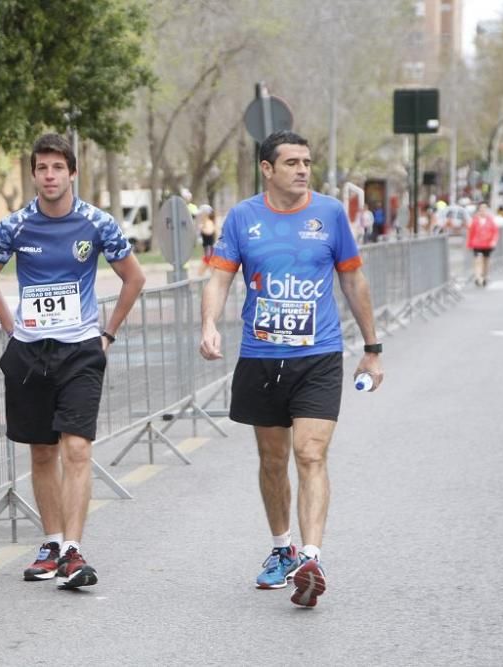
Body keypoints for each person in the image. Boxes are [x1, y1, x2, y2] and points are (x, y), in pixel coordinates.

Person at [198, 130, 383, 608]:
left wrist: (372, 346)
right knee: (273, 460)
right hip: (261, 357)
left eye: (307, 162)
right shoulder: (243, 217)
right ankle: (283, 548)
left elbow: (353, 279)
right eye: (292, 163)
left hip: (317, 356)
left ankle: (312, 558)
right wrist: (209, 325)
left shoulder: (329, 214)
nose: (303, 170)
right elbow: (219, 276)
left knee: (310, 454)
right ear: (267, 169)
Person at [0, 133, 145, 590]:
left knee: (77, 448)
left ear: (72, 173)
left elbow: (133, 277)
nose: (49, 176)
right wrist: (10, 325)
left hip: (81, 349)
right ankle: (51, 543)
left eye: (57, 168)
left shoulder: (96, 223)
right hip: (30, 352)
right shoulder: (14, 226)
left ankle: (72, 549)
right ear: (33, 174)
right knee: (43, 451)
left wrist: (108, 333)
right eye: (42, 168)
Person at [465, 203, 499, 287]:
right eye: (481, 209)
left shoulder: (490, 220)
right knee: (478, 260)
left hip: (487, 244)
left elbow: (495, 231)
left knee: (486, 261)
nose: (483, 211)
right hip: (477, 244)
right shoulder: (474, 220)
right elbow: (470, 232)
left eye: (485, 209)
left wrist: (494, 241)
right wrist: (469, 243)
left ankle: (485, 276)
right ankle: (478, 277)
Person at [198, 204, 217, 273]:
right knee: (211, 271)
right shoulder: (205, 223)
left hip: (209, 250)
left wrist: (201, 229)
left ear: (206, 214)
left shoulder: (209, 222)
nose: (200, 216)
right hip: (207, 249)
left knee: (200, 272)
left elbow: (210, 231)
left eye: (201, 214)